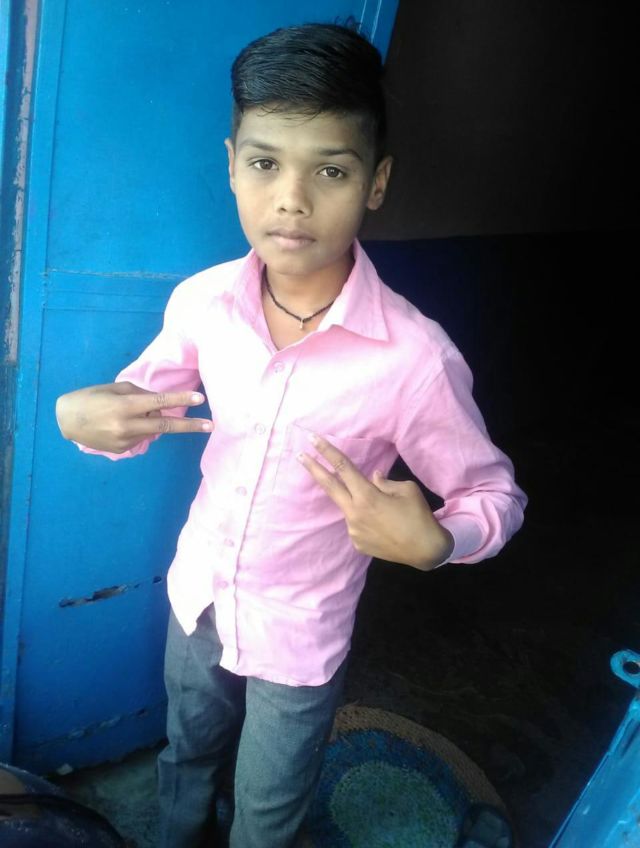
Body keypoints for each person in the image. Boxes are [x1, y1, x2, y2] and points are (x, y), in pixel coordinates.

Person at [55, 21, 527, 848]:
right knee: (186, 757)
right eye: (266, 163)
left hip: (302, 630)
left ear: (376, 182)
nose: (291, 200)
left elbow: (494, 494)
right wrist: (82, 422)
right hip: (200, 596)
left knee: (269, 805)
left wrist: (438, 542)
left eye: (331, 171)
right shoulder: (203, 303)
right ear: (231, 163)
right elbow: (135, 406)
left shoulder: (415, 359)